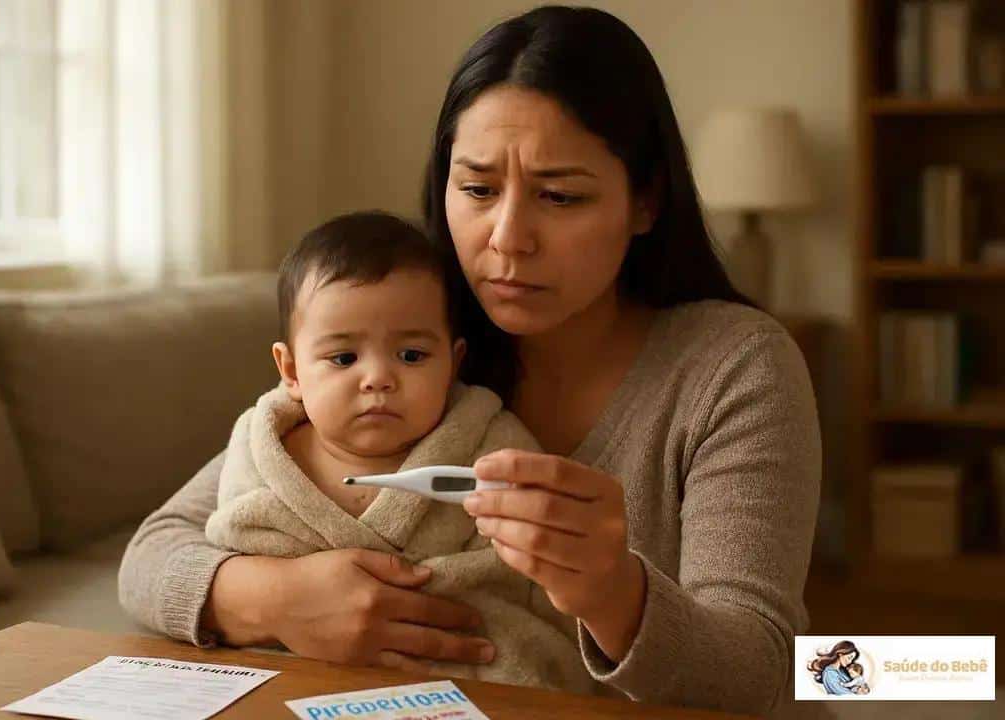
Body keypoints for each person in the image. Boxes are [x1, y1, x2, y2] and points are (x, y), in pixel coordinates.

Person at [119, 6, 820, 718]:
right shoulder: (402, 342)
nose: (509, 239)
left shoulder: (734, 368)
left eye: (560, 196)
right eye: (478, 189)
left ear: (646, 202)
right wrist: (272, 600)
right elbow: (151, 555)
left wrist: (614, 593)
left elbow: (765, 671)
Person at [205, 210, 593, 693]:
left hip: (460, 676)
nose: (378, 378)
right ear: (291, 371)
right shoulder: (261, 449)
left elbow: (526, 581)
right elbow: (230, 536)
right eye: (344, 358)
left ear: (453, 363)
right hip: (300, 675)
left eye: (411, 356)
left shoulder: (490, 444)